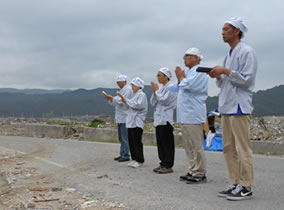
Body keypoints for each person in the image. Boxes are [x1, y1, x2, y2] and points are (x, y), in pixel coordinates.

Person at [209, 17, 257, 201]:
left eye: (226, 29)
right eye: (222, 29)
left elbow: (248, 80)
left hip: (239, 106)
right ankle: (235, 182)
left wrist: (226, 72)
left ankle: (247, 185)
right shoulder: (228, 55)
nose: (222, 32)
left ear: (237, 31)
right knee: (228, 147)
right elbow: (224, 85)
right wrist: (218, 75)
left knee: (242, 147)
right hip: (227, 106)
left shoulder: (247, 51)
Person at [172, 48, 208, 183]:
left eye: (187, 56)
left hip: (193, 114)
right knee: (188, 144)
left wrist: (181, 77)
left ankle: (200, 172)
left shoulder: (200, 71)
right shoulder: (190, 72)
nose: (184, 59)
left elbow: (189, 85)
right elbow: (180, 86)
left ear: (196, 58)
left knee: (196, 144)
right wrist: (180, 79)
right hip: (185, 115)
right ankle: (193, 169)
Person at [150, 67, 177, 174]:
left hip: (166, 119)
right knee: (160, 143)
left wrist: (156, 91)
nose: (158, 77)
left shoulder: (172, 87)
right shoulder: (160, 88)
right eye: (157, 75)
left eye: (159, 75)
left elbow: (164, 100)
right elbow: (153, 102)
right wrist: (155, 91)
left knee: (167, 143)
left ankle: (168, 165)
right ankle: (162, 163)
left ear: (166, 77)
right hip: (159, 119)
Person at [117, 77, 148, 168]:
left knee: (137, 142)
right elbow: (131, 104)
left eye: (133, 85)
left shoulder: (142, 95)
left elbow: (138, 105)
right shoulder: (135, 95)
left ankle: (140, 160)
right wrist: (125, 100)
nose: (132, 87)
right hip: (131, 122)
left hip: (137, 122)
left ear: (138, 86)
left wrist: (126, 101)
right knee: (132, 142)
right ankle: (134, 158)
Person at [102, 75, 133, 162]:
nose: (118, 83)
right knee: (121, 137)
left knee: (124, 137)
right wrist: (111, 99)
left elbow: (122, 101)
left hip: (125, 116)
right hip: (120, 117)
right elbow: (116, 102)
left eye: (119, 82)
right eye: (117, 82)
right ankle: (122, 153)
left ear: (124, 81)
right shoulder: (122, 90)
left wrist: (112, 98)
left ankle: (126, 154)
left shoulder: (128, 89)